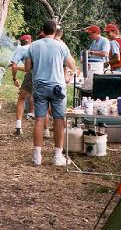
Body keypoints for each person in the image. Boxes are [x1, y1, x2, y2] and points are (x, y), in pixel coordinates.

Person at [24, 20, 75, 167]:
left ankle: (37, 156)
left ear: (43, 30)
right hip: (57, 86)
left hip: (39, 85)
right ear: (54, 31)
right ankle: (58, 156)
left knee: (39, 119)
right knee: (59, 119)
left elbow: (28, 68)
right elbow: (71, 64)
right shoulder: (61, 45)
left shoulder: (33, 45)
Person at [11, 34, 35, 136]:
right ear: (30, 40)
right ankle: (46, 128)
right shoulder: (35, 46)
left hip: (31, 75)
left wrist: (15, 78)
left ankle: (18, 127)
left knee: (21, 98)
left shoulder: (20, 49)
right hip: (44, 75)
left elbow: (14, 66)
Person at [83, 25, 110, 90]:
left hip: (101, 67)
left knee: (99, 87)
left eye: (90, 34)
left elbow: (105, 54)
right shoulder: (94, 42)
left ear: (95, 33)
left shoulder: (105, 41)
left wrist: (92, 52)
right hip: (93, 67)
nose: (89, 35)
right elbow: (89, 53)